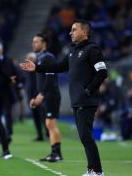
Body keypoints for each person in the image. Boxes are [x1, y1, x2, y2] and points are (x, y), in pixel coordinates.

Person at [20, 19, 107, 176]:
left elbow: (102, 73)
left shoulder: (92, 49)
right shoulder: (73, 51)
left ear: (85, 32)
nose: (70, 32)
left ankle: (97, 172)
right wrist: (37, 68)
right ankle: (92, 170)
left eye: (74, 30)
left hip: (86, 100)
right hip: (77, 100)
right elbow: (59, 67)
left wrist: (88, 90)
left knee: (86, 136)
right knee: (84, 137)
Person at [29, 34, 63, 162]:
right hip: (46, 95)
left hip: (51, 95)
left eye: (36, 41)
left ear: (44, 44)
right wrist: (39, 94)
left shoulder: (48, 58)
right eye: (33, 41)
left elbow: (50, 78)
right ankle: (55, 152)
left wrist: (41, 94)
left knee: (51, 123)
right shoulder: (40, 57)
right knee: (49, 124)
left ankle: (57, 153)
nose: (34, 44)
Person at [0, 40, 17, 143]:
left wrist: (15, 82)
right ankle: (2, 135)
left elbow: (14, 73)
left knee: (7, 113)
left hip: (6, 90)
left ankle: (8, 134)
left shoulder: (7, 60)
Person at [24, 52, 45, 141]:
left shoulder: (37, 69)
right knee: (35, 116)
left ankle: (47, 134)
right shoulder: (27, 70)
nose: (28, 60)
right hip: (30, 95)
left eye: (30, 59)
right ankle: (39, 135)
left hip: (38, 95)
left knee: (42, 116)